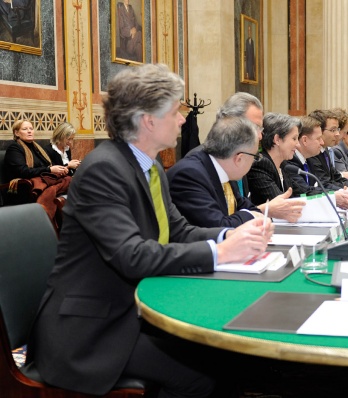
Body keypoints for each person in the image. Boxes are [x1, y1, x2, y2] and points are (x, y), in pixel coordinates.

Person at [28, 63, 272, 397]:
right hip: (92, 330)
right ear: (148, 120)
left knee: (225, 358)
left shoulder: (150, 165)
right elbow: (132, 256)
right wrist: (221, 253)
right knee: (203, 376)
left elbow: (179, 230)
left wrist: (227, 236)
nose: (184, 119)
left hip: (131, 311)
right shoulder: (104, 170)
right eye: (176, 111)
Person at [168, 116, 304, 227]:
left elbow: (246, 207)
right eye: (255, 157)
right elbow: (219, 225)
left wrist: (257, 212)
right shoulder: (190, 174)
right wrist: (259, 212)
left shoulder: (225, 172)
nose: (254, 162)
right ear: (239, 158)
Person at [4, 119, 71, 225]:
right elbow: (23, 171)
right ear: (17, 133)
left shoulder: (37, 148)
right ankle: (49, 226)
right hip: (24, 188)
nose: (29, 131)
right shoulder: (15, 148)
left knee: (70, 181)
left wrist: (60, 169)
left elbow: (48, 165)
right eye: (25, 129)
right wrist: (49, 170)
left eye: (31, 128)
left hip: (41, 183)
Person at [286, 116, 348, 209]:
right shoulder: (290, 162)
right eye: (318, 138)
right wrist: (336, 195)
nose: (322, 143)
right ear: (304, 140)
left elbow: (318, 185)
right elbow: (305, 191)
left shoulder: (308, 159)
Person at [247, 112, 306, 206]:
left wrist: (332, 195)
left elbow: (302, 191)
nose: (298, 144)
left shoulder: (283, 165)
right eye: (294, 139)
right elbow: (282, 204)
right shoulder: (260, 165)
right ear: (277, 139)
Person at [216, 92, 265, 198]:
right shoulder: (197, 170)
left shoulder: (241, 155)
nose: (260, 136)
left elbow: (242, 206)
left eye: (260, 128)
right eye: (255, 127)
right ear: (231, 121)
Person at [308, 109, 348, 190]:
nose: (337, 134)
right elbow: (324, 183)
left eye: (337, 130)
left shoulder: (325, 151)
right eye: (333, 130)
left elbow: (336, 178)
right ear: (320, 130)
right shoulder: (312, 153)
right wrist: (346, 189)